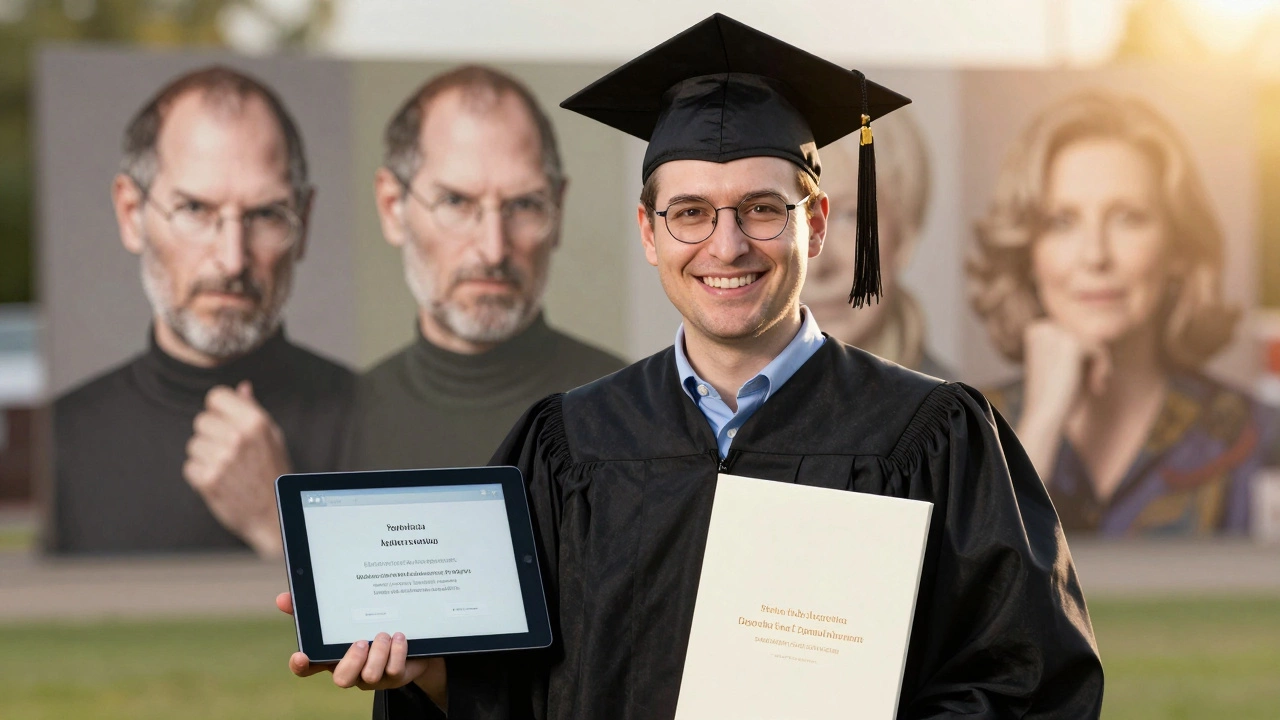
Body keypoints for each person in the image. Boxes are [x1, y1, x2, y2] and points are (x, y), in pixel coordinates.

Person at [280, 15, 1103, 718]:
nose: (727, 244)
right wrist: (433, 678)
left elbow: (1028, 679)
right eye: (690, 214)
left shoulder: (932, 436)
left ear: (816, 221)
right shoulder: (569, 445)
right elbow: (519, 692)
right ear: (647, 232)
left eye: (761, 209)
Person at [49, 67, 354, 556]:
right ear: (131, 215)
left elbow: (399, 631)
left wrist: (278, 526)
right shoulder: (58, 442)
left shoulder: (380, 423)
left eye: (265, 215)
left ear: (306, 221)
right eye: (194, 210)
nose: (232, 259)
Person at [968, 91, 1279, 536]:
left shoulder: (1258, 437)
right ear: (1027, 252)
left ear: (1177, 247)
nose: (1095, 255)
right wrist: (1040, 424)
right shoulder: (953, 431)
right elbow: (964, 595)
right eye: (1062, 222)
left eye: (1128, 218)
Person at [339, 65, 626, 471]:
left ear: (558, 211)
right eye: (456, 202)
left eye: (524, 204)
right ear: (392, 207)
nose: (493, 251)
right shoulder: (338, 427)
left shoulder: (634, 414)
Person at [801, 106, 952, 377]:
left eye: (850, 216)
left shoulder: (959, 412)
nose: (818, 266)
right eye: (796, 216)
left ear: (905, 237)